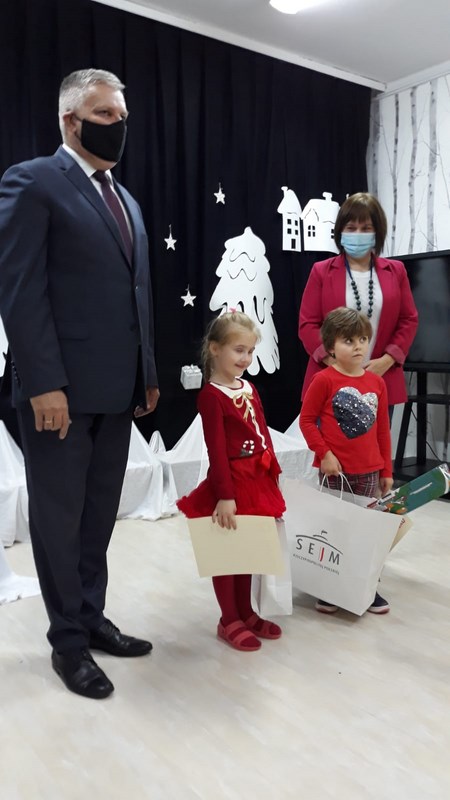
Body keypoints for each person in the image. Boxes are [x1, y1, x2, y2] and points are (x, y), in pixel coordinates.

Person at [0, 69, 159, 699]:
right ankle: (67, 642)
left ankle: (92, 618)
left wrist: (148, 376)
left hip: (117, 392)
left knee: (97, 517)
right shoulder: (33, 181)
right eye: (105, 114)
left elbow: (136, 297)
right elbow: (21, 290)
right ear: (71, 120)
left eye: (122, 116)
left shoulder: (128, 202)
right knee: (59, 520)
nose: (119, 126)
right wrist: (42, 383)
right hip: (59, 395)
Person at [177, 312, 286, 652]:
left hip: (257, 480)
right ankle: (229, 619)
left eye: (250, 351)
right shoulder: (211, 396)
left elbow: (263, 432)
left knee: (249, 551)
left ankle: (246, 612)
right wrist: (225, 495)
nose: (246, 359)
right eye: (239, 350)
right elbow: (216, 450)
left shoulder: (249, 387)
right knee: (227, 555)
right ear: (215, 349)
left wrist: (273, 475)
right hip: (232, 483)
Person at [299, 307, 393, 615]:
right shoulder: (323, 380)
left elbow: (382, 429)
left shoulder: (377, 383)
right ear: (330, 346)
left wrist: (387, 470)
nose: (358, 346)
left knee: (364, 532)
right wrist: (324, 454)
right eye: (349, 340)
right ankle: (329, 587)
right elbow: (307, 421)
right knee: (333, 530)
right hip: (334, 473)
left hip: (369, 473)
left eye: (363, 339)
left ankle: (365, 588)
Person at [299, 192, 418, 416]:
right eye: (351, 228)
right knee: (327, 440)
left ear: (377, 233)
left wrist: (387, 360)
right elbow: (307, 325)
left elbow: (408, 320)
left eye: (366, 228)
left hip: (379, 379)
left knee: (377, 440)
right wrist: (335, 363)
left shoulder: (396, 271)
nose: (358, 234)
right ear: (340, 232)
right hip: (330, 378)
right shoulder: (321, 271)